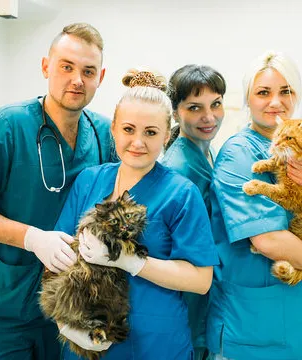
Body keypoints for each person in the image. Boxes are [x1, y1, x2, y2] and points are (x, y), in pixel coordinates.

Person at [0, 23, 114, 360]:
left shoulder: (103, 133)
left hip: (68, 307)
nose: (77, 79)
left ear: (101, 76)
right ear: (45, 67)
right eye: (66, 66)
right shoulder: (6, 126)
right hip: (3, 303)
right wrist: (32, 238)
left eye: (88, 71)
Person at [54, 69, 220, 360]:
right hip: (90, 341)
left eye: (151, 132)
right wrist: (64, 320)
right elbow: (59, 256)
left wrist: (131, 261)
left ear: (167, 136)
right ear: (114, 129)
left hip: (156, 344)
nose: (138, 142)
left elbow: (201, 279)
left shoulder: (181, 194)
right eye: (129, 129)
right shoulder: (89, 181)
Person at [206, 51, 302, 360]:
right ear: (248, 99)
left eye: (285, 91)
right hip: (250, 329)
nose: (276, 101)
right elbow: (269, 239)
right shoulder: (240, 154)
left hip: (289, 324)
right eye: (264, 93)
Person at [162, 65, 226, 360]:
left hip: (204, 298)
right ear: (175, 113)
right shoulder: (180, 168)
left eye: (216, 104)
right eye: (195, 107)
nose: (209, 116)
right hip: (187, 302)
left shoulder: (205, 151)